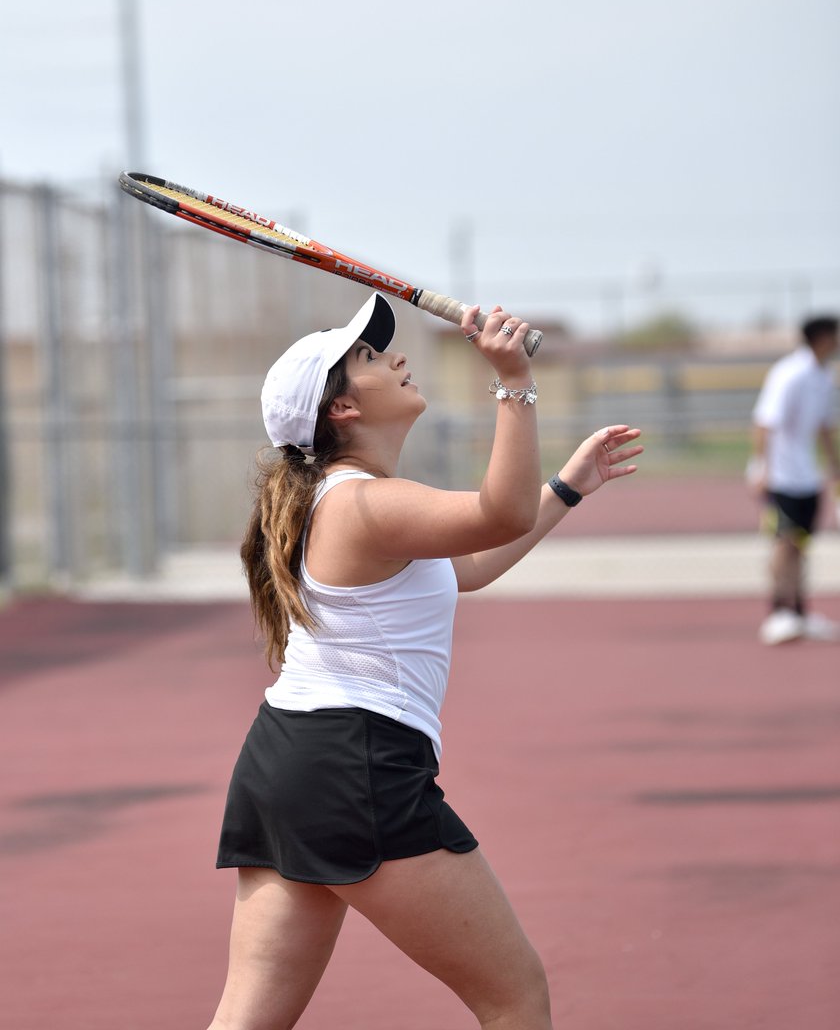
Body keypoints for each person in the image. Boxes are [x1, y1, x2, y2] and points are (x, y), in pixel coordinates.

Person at [208, 292, 643, 1030]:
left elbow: (466, 564)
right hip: (356, 764)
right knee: (515, 996)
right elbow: (496, 515)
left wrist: (566, 489)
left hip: (288, 762)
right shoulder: (364, 505)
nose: (398, 357)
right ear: (341, 410)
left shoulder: (351, 501)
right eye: (371, 358)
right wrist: (513, 382)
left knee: (249, 1019)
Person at [749, 314, 840, 646]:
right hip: (782, 477)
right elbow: (764, 424)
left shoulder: (823, 375)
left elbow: (823, 426)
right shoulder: (790, 374)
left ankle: (800, 614)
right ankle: (776, 613)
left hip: (807, 477)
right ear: (822, 338)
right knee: (783, 544)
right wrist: (762, 469)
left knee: (801, 546)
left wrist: (834, 466)